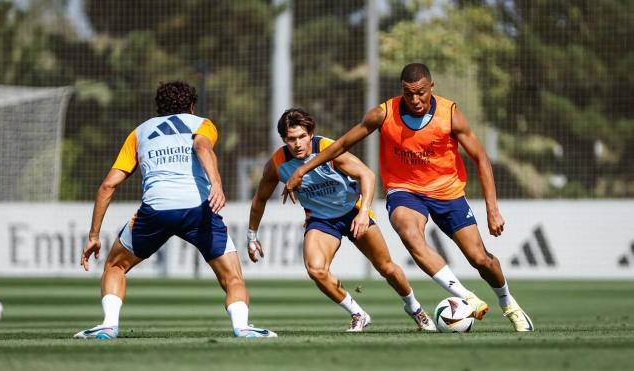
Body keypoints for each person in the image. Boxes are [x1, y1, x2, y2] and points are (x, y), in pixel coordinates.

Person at [282, 63, 534, 332]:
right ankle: (467, 297)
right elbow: (341, 144)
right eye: (408, 93)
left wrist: (492, 209)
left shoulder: (450, 114)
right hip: (405, 191)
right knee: (410, 234)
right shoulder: (383, 113)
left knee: (480, 259)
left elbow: (481, 158)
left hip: (448, 192)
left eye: (421, 93)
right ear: (402, 90)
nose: (415, 99)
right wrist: (303, 170)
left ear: (431, 87)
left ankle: (509, 304)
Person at [75, 81, 277, 339]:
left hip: (156, 210)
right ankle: (243, 328)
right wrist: (216, 183)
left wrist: (94, 236)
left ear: (159, 108)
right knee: (233, 278)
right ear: (192, 106)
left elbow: (107, 185)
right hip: (199, 210)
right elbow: (202, 146)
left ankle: (108, 325)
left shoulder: (139, 132)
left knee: (115, 266)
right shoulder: (203, 123)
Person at [247, 108, 436, 332]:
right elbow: (260, 199)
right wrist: (252, 235)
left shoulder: (328, 149)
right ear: (283, 139)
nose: (297, 143)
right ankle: (358, 313)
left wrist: (364, 211)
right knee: (316, 269)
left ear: (310, 134)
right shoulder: (278, 164)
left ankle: (415, 308)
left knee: (387, 268)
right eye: (291, 139)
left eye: (301, 137)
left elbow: (367, 175)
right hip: (321, 221)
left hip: (352, 212)